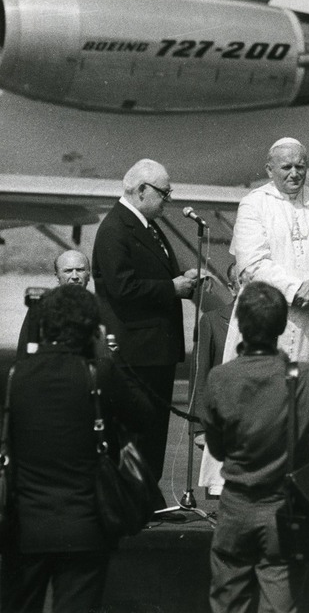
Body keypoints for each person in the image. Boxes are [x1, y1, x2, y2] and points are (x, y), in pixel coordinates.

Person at [1, 285, 154, 613]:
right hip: (84, 525)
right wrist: (108, 358)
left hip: (24, 525)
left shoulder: (13, 376)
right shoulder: (99, 374)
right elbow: (144, 416)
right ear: (91, 329)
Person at [200, 281, 309, 613]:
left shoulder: (220, 377)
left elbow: (217, 448)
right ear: (281, 325)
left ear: (240, 324)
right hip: (284, 507)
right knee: (280, 605)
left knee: (228, 603)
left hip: (236, 507)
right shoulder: (306, 377)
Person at [92, 158, 198, 481]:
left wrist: (182, 278)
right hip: (135, 354)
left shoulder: (146, 225)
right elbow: (122, 287)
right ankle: (134, 500)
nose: (168, 200)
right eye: (164, 193)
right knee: (136, 438)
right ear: (141, 190)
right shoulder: (115, 229)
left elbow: (150, 274)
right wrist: (172, 288)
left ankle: (147, 497)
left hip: (153, 352)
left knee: (151, 438)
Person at [223, 137, 309, 364]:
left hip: (308, 318)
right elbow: (252, 264)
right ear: (270, 170)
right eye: (286, 167)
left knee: (302, 379)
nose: (294, 174)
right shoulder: (253, 204)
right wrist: (296, 291)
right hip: (263, 315)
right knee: (263, 380)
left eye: (300, 167)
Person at [190, 263, 239, 453]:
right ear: (232, 288)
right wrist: (199, 427)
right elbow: (200, 375)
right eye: (244, 282)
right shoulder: (212, 321)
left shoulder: (274, 321)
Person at [17, 249, 92, 358]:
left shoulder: (98, 306)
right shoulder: (42, 306)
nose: (75, 276)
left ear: (88, 275)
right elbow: (24, 352)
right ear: (57, 276)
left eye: (80, 270)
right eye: (68, 271)